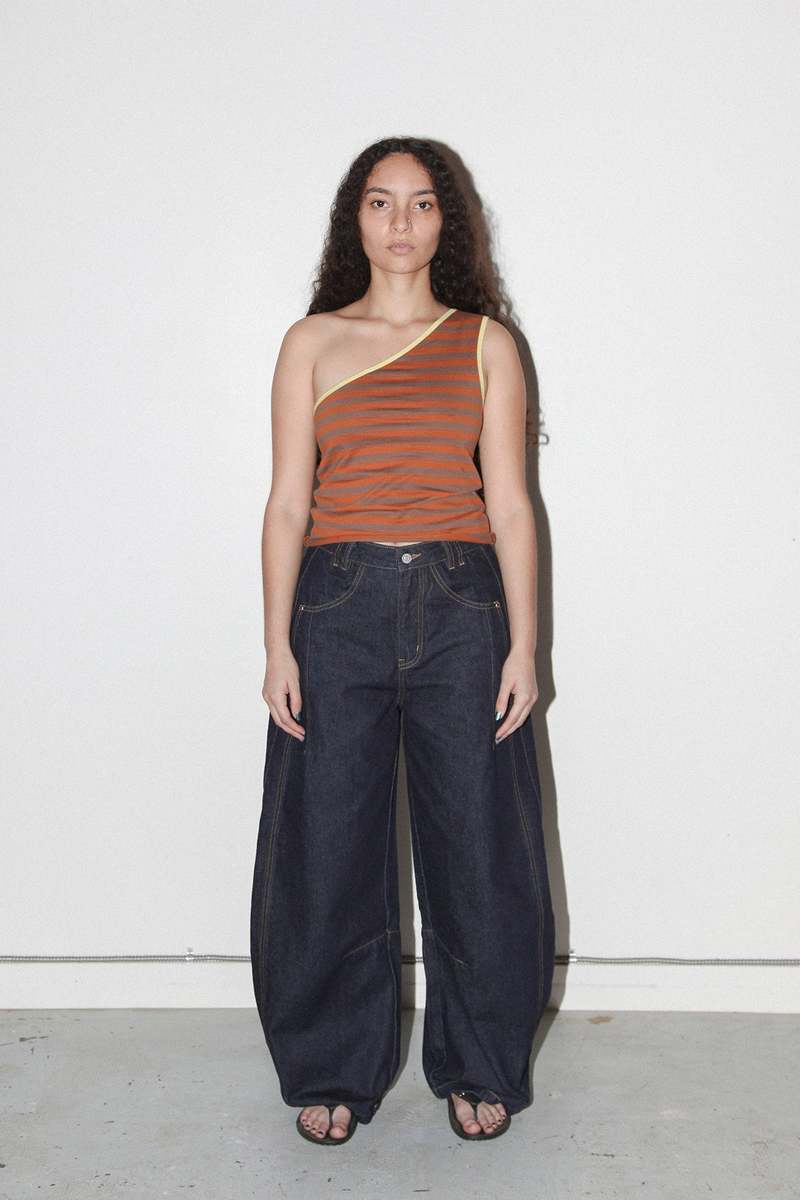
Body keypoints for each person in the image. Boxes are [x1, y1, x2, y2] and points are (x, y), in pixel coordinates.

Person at [249, 137, 555, 1146]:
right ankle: (332, 1067)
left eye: (421, 204)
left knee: (479, 842)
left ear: (444, 224)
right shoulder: (311, 342)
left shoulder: (485, 343)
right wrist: (276, 644)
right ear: (356, 220)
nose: (399, 222)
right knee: (326, 842)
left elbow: (510, 505)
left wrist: (525, 648)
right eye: (380, 203)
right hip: (334, 607)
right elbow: (287, 503)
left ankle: (479, 1063)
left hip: (462, 608)